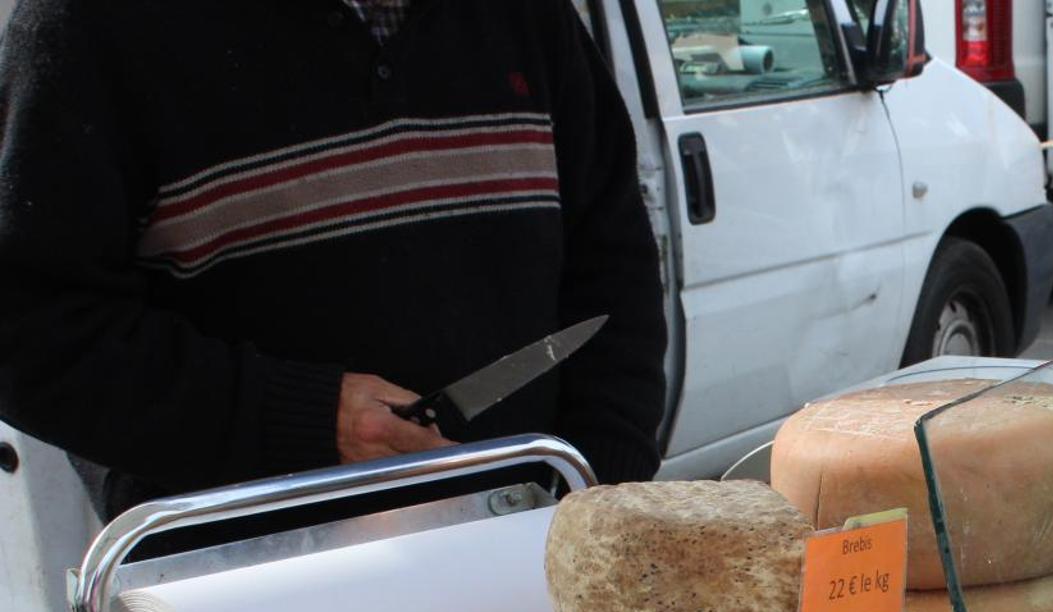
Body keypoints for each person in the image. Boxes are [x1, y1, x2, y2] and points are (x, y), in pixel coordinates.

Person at [0, 0, 668, 516]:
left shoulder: (527, 15)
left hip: (528, 546)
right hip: (244, 593)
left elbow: (614, 271)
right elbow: (27, 333)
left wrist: (597, 486)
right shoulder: (88, 26)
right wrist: (306, 421)